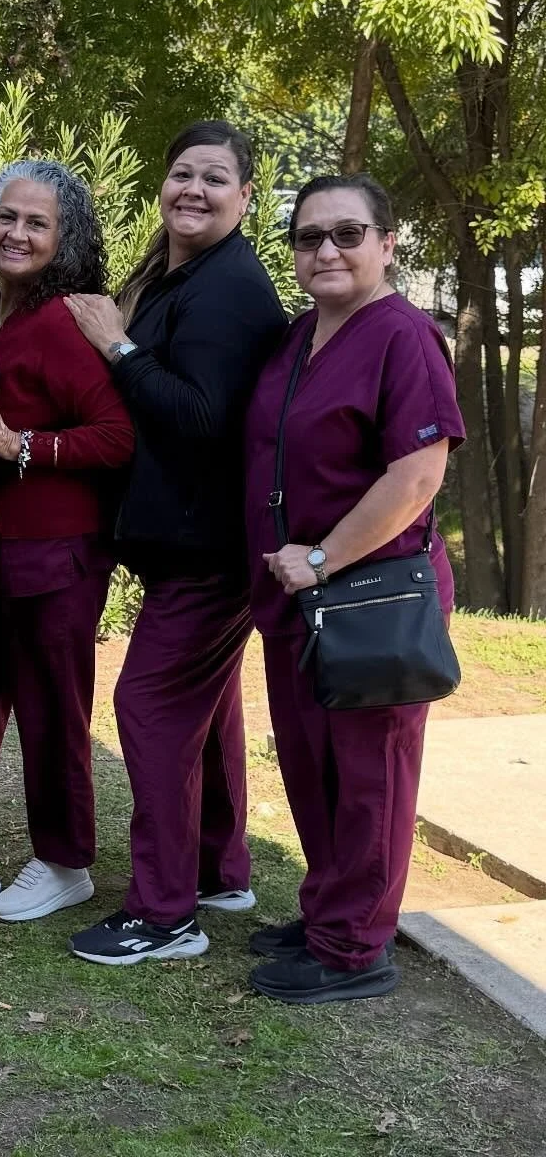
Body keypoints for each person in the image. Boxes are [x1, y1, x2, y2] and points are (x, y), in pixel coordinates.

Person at [66, 120, 287, 965]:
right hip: (189, 544)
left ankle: (164, 915)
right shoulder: (182, 272)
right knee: (205, 706)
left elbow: (203, 419)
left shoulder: (227, 289)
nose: (193, 189)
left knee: (148, 710)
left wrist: (114, 346)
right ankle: (218, 869)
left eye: (215, 179)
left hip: (207, 549)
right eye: (182, 173)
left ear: (246, 196)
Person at [243, 173, 463, 1004]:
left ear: (386, 243)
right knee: (311, 764)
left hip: (370, 596)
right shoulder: (302, 336)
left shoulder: (402, 337)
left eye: (346, 233)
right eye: (309, 237)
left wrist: (325, 558)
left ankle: (356, 949)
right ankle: (329, 909)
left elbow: (416, 474)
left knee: (370, 775)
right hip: (301, 598)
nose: (326, 250)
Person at [0, 160, 135, 923]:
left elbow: (118, 436)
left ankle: (66, 861)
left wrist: (20, 444)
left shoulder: (62, 321)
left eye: (37, 223)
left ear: (66, 240)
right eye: (7, 218)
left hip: (57, 552)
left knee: (52, 710)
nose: (17, 233)